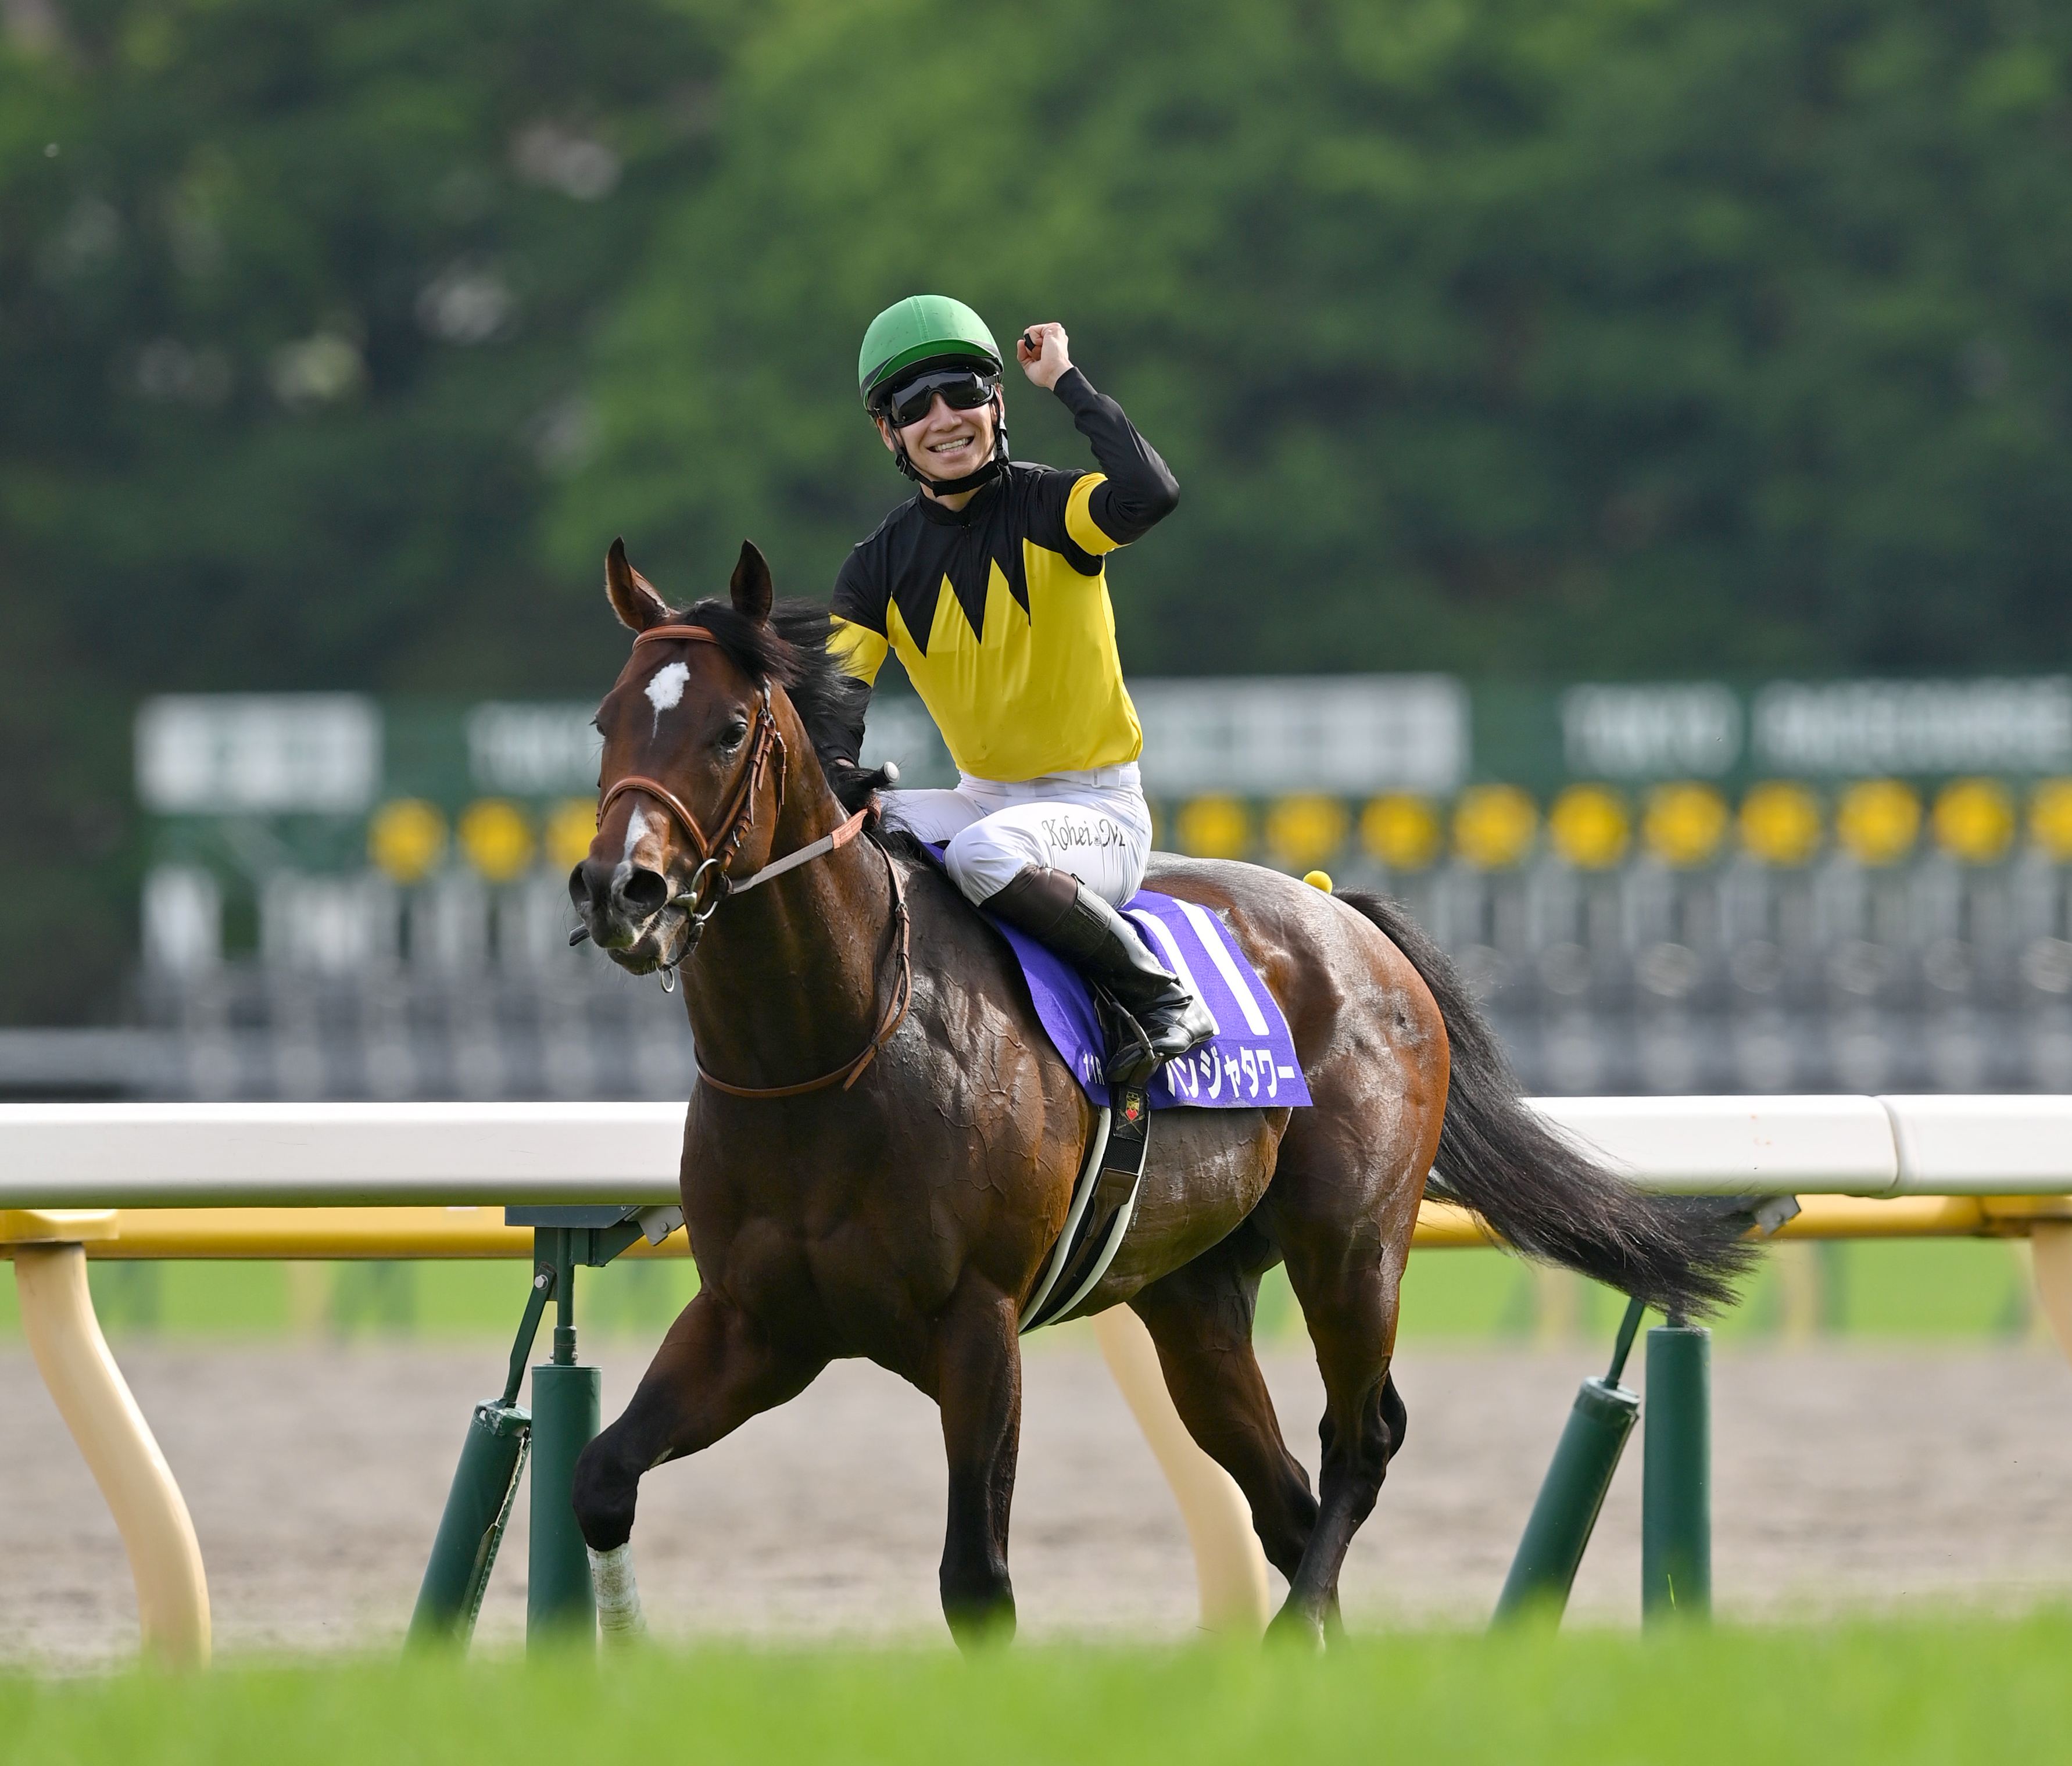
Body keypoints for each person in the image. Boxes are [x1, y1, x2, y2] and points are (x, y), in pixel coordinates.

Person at [825, 293, 1216, 1080]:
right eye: (914, 404)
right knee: (834, 837)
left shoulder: (1056, 506)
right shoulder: (874, 567)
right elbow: (834, 713)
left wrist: (1067, 381)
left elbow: (1150, 493)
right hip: (983, 797)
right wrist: (843, 786)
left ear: (996, 402)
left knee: (981, 855)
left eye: (964, 391)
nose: (944, 418)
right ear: (888, 431)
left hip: (1096, 809)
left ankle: (1161, 994)